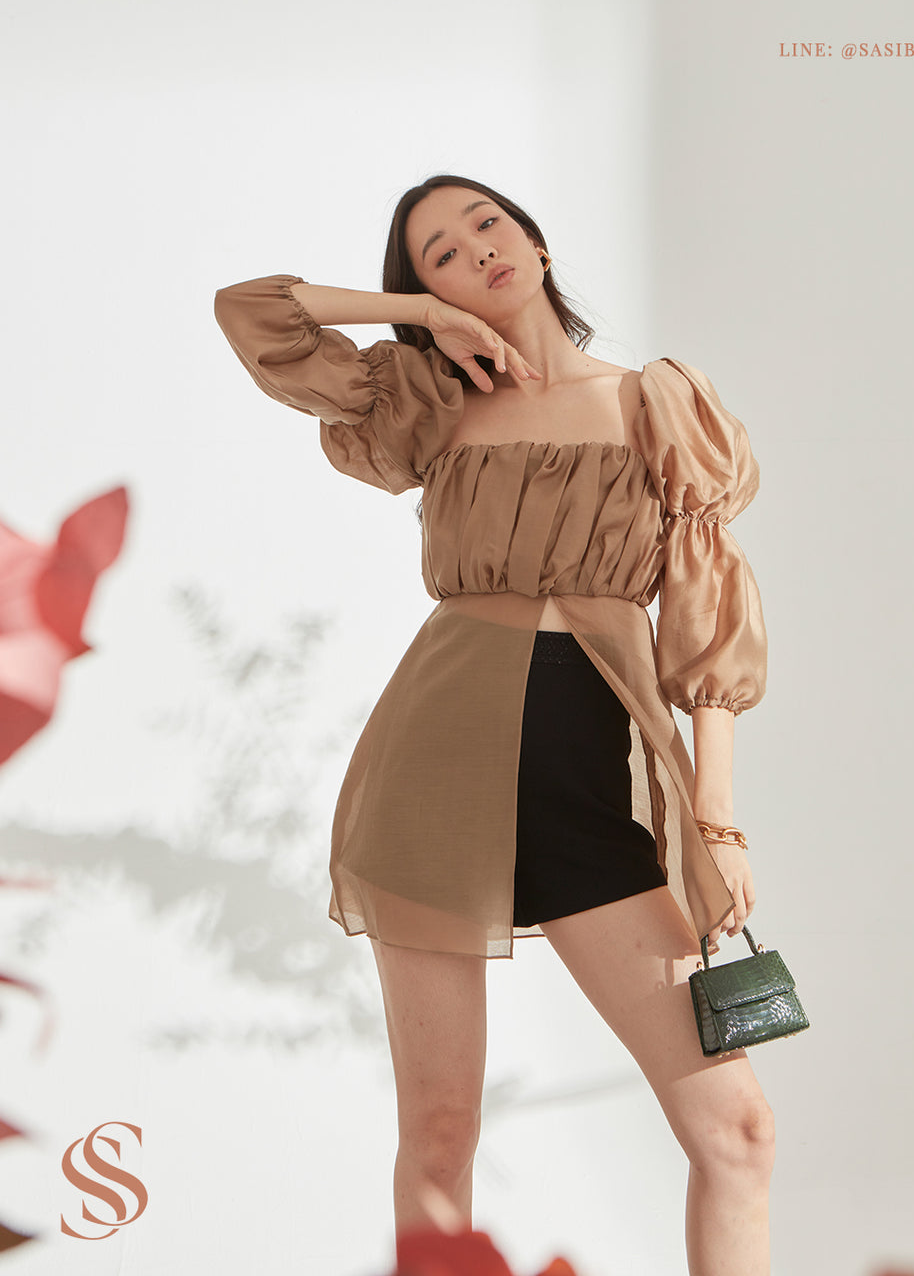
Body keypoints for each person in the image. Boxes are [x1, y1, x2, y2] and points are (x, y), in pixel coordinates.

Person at [214, 173, 774, 1276]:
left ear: (536, 240)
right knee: (438, 1130)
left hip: (590, 781)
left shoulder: (657, 402)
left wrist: (715, 818)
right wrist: (418, 319)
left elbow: (708, 620)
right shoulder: (425, 401)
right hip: (435, 765)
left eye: (488, 224)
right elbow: (255, 310)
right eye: (441, 255)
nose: (477, 251)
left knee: (737, 1131)